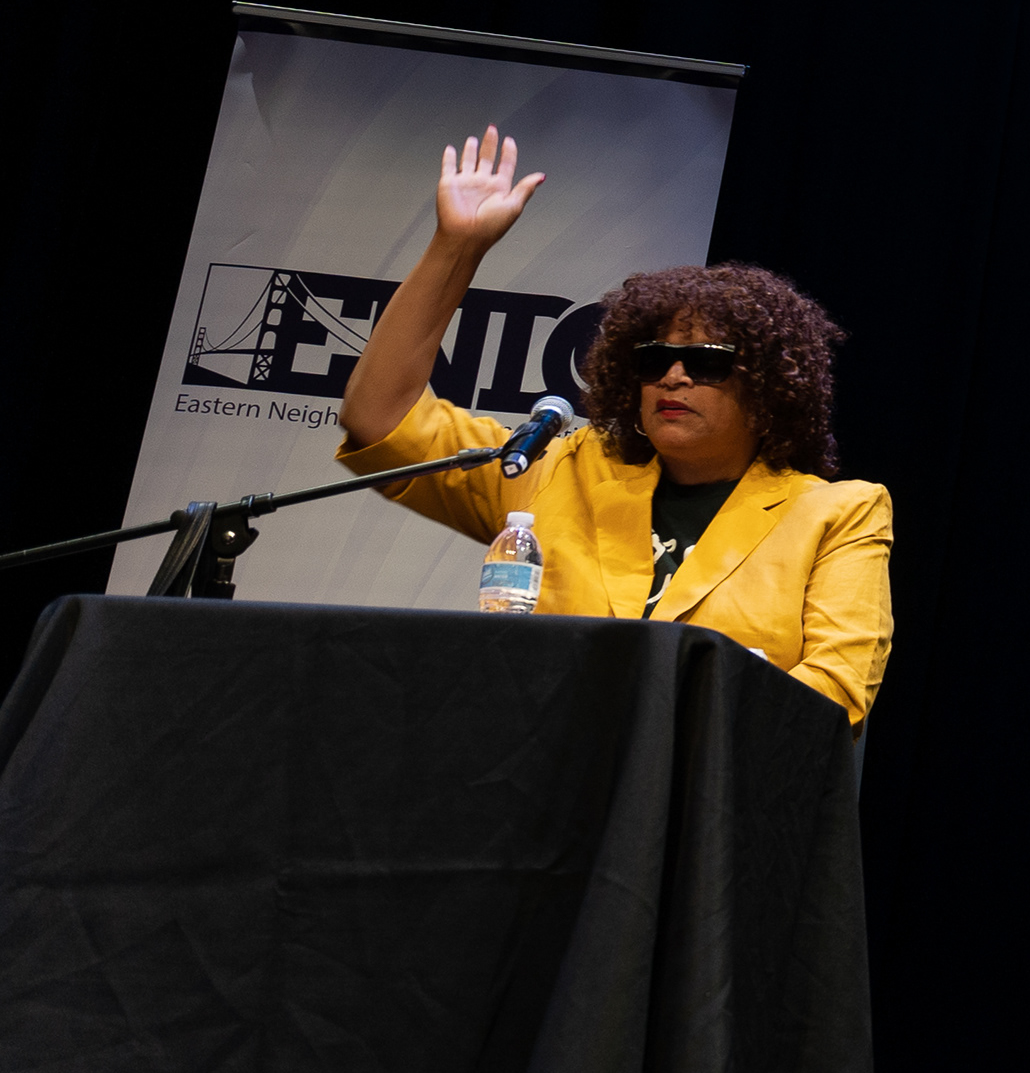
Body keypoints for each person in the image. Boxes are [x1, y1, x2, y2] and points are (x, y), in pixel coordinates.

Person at [332, 125, 895, 723]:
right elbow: (380, 420)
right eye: (654, 358)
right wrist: (456, 248)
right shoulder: (557, 469)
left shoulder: (837, 516)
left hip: (702, 801)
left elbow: (833, 697)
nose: (673, 376)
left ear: (770, 386)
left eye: (706, 362)